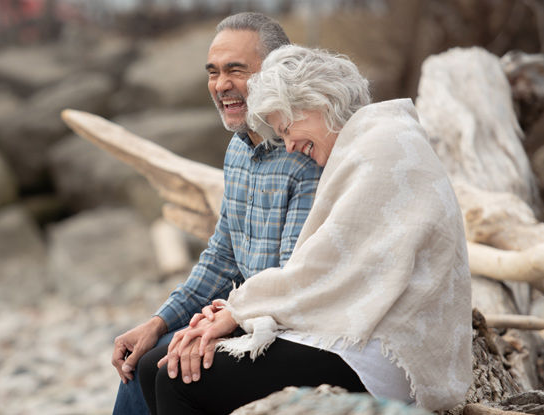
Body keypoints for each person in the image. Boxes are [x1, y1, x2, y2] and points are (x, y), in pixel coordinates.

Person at [139, 45, 473, 414]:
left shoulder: (382, 148)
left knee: (179, 379)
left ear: (319, 102)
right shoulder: (370, 141)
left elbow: (328, 271)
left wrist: (237, 311)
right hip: (359, 336)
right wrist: (231, 312)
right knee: (156, 365)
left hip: (387, 353)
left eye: (287, 128)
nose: (290, 146)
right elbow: (329, 272)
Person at [111, 13, 324, 414]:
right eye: (213, 72)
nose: (221, 84)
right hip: (240, 312)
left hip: (284, 328)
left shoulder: (305, 153)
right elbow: (222, 259)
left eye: (235, 70)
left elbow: (290, 282)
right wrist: (157, 322)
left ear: (278, 72)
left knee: (165, 368)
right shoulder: (239, 149)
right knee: (137, 362)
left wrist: (218, 321)